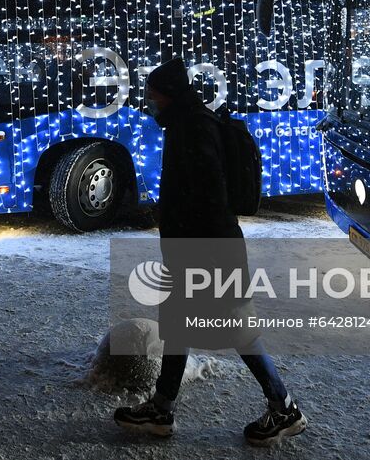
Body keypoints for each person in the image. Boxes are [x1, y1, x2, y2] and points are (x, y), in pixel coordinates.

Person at [113, 58, 307, 447]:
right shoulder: (189, 122)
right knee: (179, 325)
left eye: (153, 96)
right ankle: (162, 410)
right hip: (199, 248)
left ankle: (284, 408)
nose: (150, 104)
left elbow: (208, 196)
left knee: (237, 329)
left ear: (168, 95)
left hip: (208, 251)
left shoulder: (192, 128)